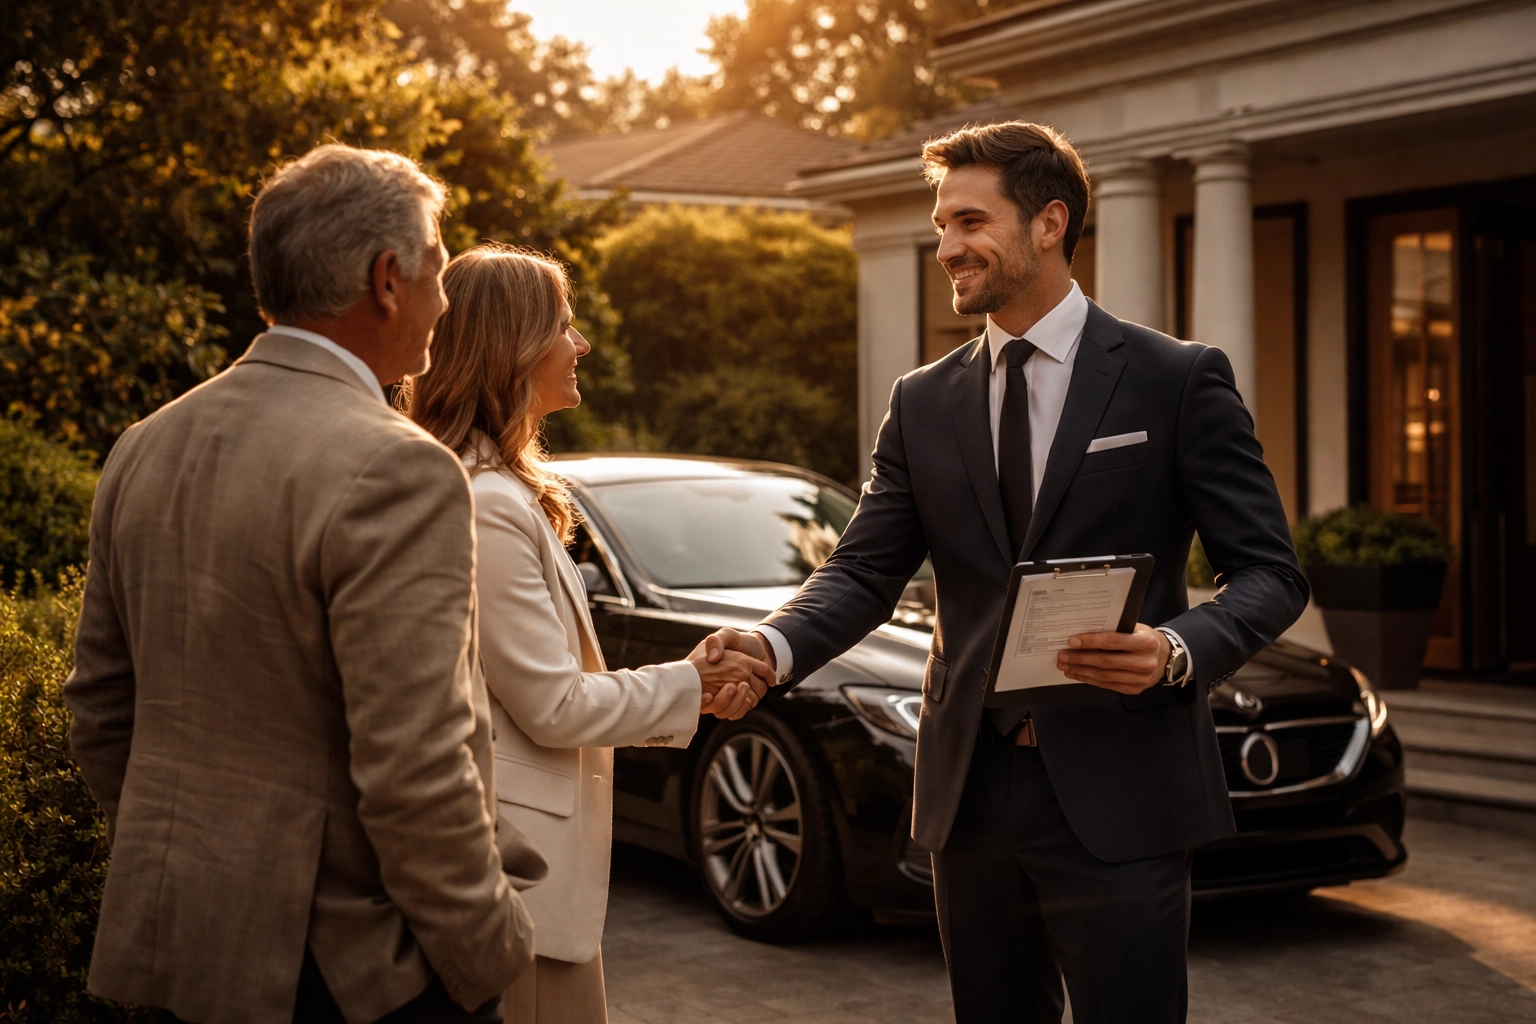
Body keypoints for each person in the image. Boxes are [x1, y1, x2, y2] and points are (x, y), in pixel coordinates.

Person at [710, 122, 1308, 1024]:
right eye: (941, 224)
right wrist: (771, 642)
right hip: (970, 794)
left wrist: (1177, 650)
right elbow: (863, 570)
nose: (946, 247)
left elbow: (1269, 571)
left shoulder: (1174, 380)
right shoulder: (921, 401)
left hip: (1123, 793)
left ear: (1048, 222)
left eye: (969, 221)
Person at [64, 144, 543, 1024]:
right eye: (438, 267)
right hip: (345, 976)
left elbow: (100, 708)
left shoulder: (144, 443)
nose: (446, 297)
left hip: (175, 948)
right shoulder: (399, 468)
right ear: (388, 280)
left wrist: (189, 865)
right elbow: (416, 770)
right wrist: (487, 954)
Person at [404, 243, 773, 1023]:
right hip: (523, 882)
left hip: (534, 877)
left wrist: (687, 682)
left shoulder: (494, 486)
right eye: (564, 326)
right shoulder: (487, 502)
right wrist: (691, 684)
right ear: (511, 346)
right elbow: (552, 705)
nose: (582, 345)